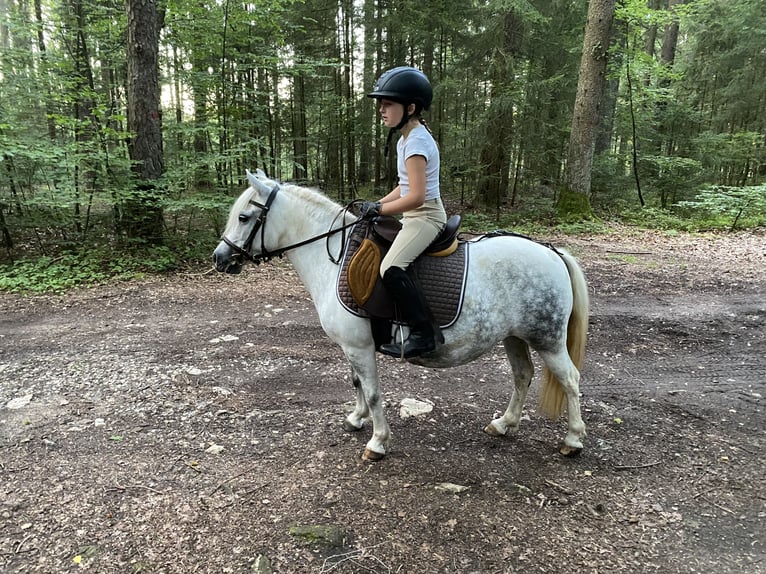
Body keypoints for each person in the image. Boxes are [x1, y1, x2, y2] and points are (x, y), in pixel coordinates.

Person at [360, 66, 448, 358]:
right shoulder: (407, 138)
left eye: (388, 105)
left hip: (426, 217)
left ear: (410, 107)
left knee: (391, 268)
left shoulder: (417, 141)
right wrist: (376, 205)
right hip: (415, 214)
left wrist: (382, 209)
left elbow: (417, 196)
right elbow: (404, 185)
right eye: (381, 105)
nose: (382, 111)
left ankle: (423, 333)